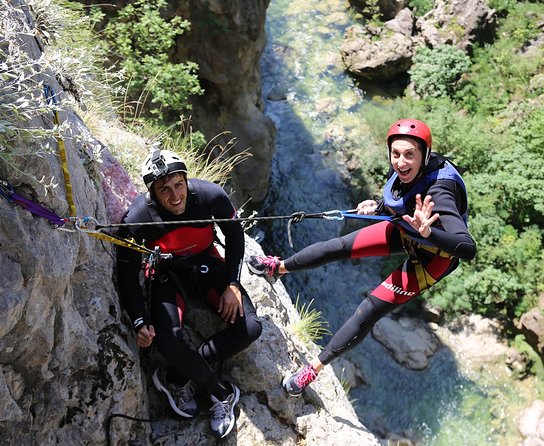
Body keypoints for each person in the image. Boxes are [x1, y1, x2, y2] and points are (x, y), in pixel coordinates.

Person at [248, 118, 476, 396]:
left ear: (425, 155)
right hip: (408, 231)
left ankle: (312, 370)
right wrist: (378, 206)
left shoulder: (440, 191)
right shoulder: (409, 172)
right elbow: (401, 196)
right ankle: (278, 268)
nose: (400, 162)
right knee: (338, 246)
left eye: (409, 155)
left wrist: (428, 233)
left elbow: (466, 247)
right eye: (395, 154)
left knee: (368, 310)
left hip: (432, 258)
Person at [116, 149, 263, 438]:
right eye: (164, 189)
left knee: (250, 327)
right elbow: (126, 274)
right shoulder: (137, 218)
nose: (174, 196)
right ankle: (221, 393)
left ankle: (177, 375)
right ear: (153, 192)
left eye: (179, 185)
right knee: (167, 340)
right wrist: (138, 321)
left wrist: (233, 283)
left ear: (186, 180)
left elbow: (234, 235)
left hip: (206, 262)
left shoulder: (211, 196)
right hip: (166, 274)